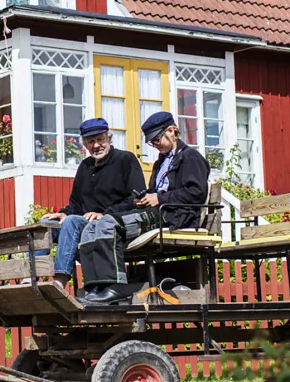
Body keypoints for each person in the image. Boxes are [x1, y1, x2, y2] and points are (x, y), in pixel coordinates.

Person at [76, 111, 210, 305]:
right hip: (157, 212)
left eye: (156, 140)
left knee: (107, 224)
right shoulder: (161, 162)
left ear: (172, 131)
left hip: (175, 216)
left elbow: (197, 193)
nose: (154, 145)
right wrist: (146, 198)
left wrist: (159, 198)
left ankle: (116, 287)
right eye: (151, 142)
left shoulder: (190, 157)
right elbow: (155, 192)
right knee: (91, 227)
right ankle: (95, 287)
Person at [40, 118, 145, 292]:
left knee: (72, 222)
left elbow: (137, 199)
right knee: (45, 226)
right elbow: (75, 204)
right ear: (85, 144)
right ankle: (30, 277)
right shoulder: (85, 166)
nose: (96, 145)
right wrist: (63, 214)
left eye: (100, 139)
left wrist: (105, 214)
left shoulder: (125, 159)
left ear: (109, 138)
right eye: (91, 141)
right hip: (83, 223)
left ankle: (60, 281)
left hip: (112, 224)